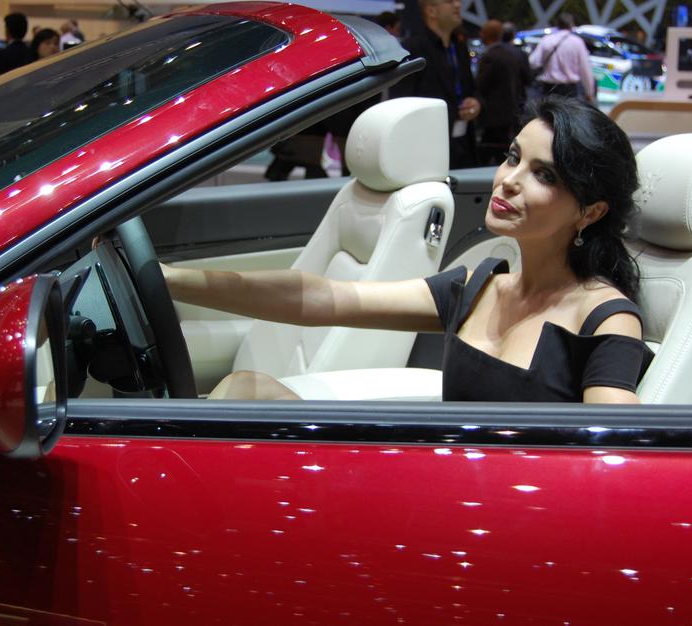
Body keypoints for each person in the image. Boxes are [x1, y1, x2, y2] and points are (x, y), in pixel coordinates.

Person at [163, 96, 652, 403]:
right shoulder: (479, 285)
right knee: (245, 389)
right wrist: (171, 281)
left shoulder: (604, 318)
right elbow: (322, 299)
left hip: (502, 512)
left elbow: (614, 456)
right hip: (440, 476)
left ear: (590, 212)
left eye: (543, 175)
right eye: (512, 158)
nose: (509, 181)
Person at [390, 0, 482, 168]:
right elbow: (401, 103)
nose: (458, 5)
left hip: (465, 145)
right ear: (431, 11)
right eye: (449, 1)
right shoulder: (412, 49)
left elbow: (473, 90)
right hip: (428, 150)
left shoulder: (460, 47)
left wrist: (476, 103)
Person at [476, 19, 533, 164]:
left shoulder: (490, 56)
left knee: (487, 153)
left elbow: (480, 86)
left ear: (487, 34)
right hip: (511, 112)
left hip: (493, 115)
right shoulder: (511, 54)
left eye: (482, 32)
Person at [529, 12, 595, 102]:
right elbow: (585, 69)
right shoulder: (577, 42)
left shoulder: (547, 40)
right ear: (571, 25)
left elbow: (533, 62)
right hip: (569, 90)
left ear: (557, 24)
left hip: (548, 88)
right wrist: (589, 92)